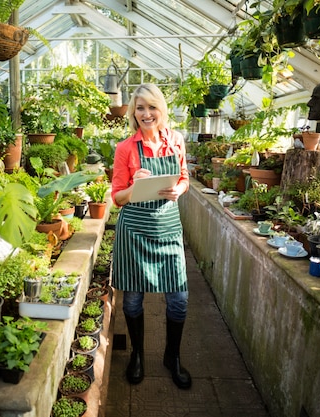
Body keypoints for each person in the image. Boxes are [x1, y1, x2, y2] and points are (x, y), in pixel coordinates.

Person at [111, 83, 192, 389]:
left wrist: (178, 189)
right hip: (134, 229)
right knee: (132, 301)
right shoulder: (125, 148)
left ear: (161, 109)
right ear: (133, 112)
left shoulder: (175, 141)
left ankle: (172, 357)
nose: (146, 114)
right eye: (140, 108)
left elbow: (184, 177)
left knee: (179, 300)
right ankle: (138, 356)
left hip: (168, 225)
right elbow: (117, 198)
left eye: (152, 107)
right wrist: (136, 185)